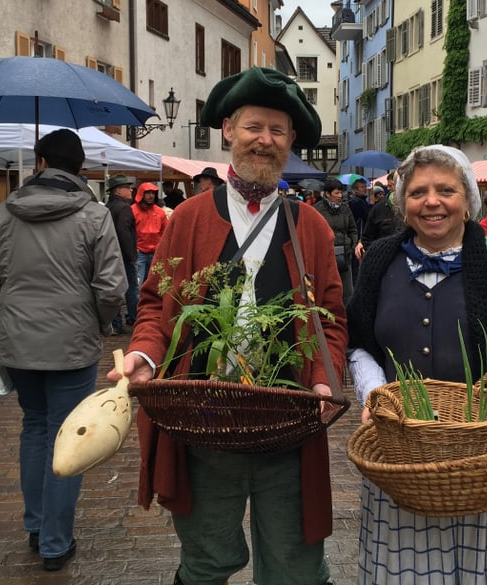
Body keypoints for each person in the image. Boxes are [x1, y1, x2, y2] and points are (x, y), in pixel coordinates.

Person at [108, 66, 348, 585]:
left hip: (288, 421)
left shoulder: (310, 225)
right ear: (229, 132)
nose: (265, 141)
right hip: (203, 418)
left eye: (277, 131)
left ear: (289, 143)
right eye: (254, 127)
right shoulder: (189, 217)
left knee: (295, 568)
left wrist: (325, 376)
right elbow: (155, 304)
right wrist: (145, 354)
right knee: (207, 561)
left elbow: (330, 315)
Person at [347, 144, 487, 585]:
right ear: (402, 202)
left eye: (446, 189)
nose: (432, 201)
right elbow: (358, 345)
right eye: (418, 191)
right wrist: (374, 394)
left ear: (468, 199)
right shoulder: (380, 260)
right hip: (405, 459)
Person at [0, 129, 126, 572]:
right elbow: (113, 286)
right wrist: (97, 320)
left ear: (40, 162)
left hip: (17, 340)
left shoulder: (5, 211)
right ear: (80, 168)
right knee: (69, 435)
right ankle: (56, 543)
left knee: (35, 428)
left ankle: (37, 526)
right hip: (72, 342)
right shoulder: (94, 215)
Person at [313, 178, 359, 302]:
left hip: (345, 255)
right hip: (326, 257)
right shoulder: (316, 210)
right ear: (327, 194)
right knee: (327, 292)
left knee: (347, 292)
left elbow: (353, 229)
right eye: (336, 193)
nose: (340, 196)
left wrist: (352, 245)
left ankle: (348, 319)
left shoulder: (345, 208)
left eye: (341, 193)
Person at [104, 174, 138, 335]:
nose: (130, 190)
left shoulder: (108, 206)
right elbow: (125, 233)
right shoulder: (124, 208)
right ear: (118, 190)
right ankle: (134, 318)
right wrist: (131, 255)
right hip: (123, 255)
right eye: (127, 187)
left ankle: (115, 323)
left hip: (109, 253)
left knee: (114, 289)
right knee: (131, 289)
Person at [356, 170, 403, 261]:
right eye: (389, 185)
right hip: (384, 261)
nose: (389, 188)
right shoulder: (378, 208)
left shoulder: (413, 207)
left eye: (391, 185)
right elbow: (367, 237)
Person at [132, 182, 168, 285]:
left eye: (153, 193)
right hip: (139, 253)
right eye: (147, 193)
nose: (151, 195)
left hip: (155, 253)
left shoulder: (160, 212)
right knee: (138, 284)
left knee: (153, 284)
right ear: (141, 194)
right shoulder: (133, 211)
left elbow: (165, 232)